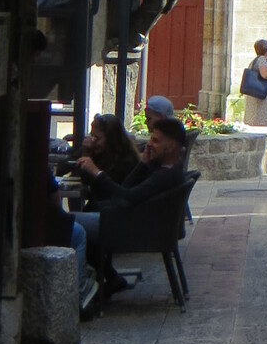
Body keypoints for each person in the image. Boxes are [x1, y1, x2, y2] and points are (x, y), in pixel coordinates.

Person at [75, 113, 190, 293]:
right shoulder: (163, 168)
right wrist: (143, 164)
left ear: (171, 147)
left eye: (156, 141)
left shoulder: (165, 176)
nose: (149, 144)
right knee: (76, 221)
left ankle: (84, 288)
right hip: (131, 222)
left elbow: (127, 197)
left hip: (133, 230)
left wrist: (97, 173)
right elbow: (126, 187)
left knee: (70, 225)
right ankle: (110, 278)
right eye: (151, 138)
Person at [84, 112, 140, 185]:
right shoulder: (98, 154)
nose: (92, 141)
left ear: (111, 139)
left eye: (97, 138)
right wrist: (86, 154)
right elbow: (85, 180)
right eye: (92, 136)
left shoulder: (127, 162)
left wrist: (95, 171)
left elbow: (109, 187)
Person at [240, 38, 267, 126]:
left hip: (252, 94)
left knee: (252, 120)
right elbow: (264, 74)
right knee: (259, 121)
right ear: (266, 49)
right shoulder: (262, 59)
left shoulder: (254, 60)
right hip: (258, 96)